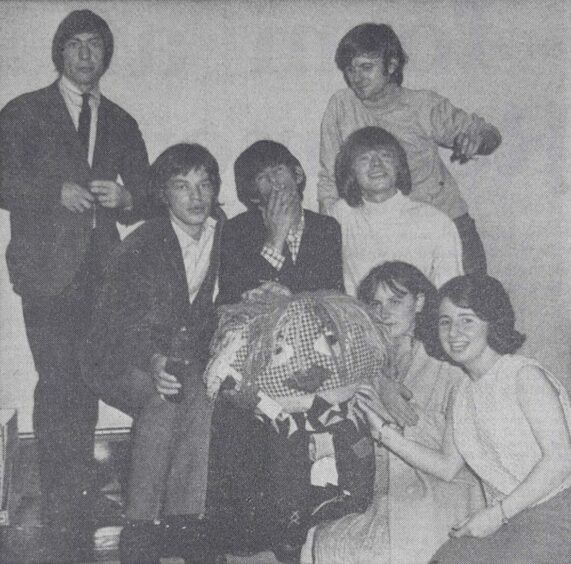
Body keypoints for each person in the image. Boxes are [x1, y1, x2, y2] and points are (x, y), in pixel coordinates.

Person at [0, 9, 150, 539]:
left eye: (95, 46)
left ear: (106, 56)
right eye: (76, 45)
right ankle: (62, 505)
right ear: (60, 54)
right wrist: (51, 192)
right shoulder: (23, 112)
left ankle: (79, 499)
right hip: (46, 273)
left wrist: (128, 196)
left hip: (102, 275)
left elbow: (148, 197)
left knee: (86, 382)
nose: (86, 55)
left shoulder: (122, 121)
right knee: (57, 382)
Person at [357, 275, 571, 563]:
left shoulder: (523, 376)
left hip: (555, 511)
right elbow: (446, 466)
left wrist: (498, 514)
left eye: (467, 320)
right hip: (507, 516)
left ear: (491, 323)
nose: (453, 332)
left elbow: (561, 459)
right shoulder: (461, 392)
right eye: (445, 321)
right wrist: (382, 432)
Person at [81, 143, 225, 564]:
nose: (196, 197)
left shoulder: (222, 230)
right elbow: (117, 321)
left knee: (199, 398)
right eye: (182, 186)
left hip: (177, 354)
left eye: (204, 185)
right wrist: (153, 360)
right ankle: (139, 530)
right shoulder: (142, 244)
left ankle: (184, 521)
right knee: (162, 403)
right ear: (163, 194)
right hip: (116, 354)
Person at [208, 140, 346, 560]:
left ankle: (305, 526)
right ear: (252, 194)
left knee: (314, 414)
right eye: (262, 178)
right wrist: (275, 237)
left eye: (280, 171)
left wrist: (286, 293)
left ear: (299, 174)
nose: (274, 183)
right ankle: (259, 536)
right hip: (260, 356)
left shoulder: (326, 228)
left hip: (314, 352)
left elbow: (328, 294)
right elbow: (234, 297)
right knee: (245, 418)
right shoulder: (236, 230)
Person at [310, 262, 483, 563]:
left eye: (395, 301)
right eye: (375, 303)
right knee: (325, 538)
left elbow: (452, 456)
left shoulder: (449, 364)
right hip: (384, 490)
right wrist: (378, 381)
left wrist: (388, 419)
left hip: (439, 490)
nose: (383, 312)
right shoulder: (371, 361)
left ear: (419, 302)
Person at [318, 23, 502, 275]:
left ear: (391, 65)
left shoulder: (422, 105)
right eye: (350, 69)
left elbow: (489, 135)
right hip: (383, 232)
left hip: (446, 221)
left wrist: (477, 139)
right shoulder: (341, 105)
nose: (356, 78)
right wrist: (328, 239)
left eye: (366, 67)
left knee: (471, 305)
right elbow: (329, 179)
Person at [330, 126, 463, 296]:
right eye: (364, 158)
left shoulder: (435, 221)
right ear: (351, 171)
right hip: (357, 319)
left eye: (385, 155)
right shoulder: (339, 215)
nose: (376, 164)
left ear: (399, 165)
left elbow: (449, 293)